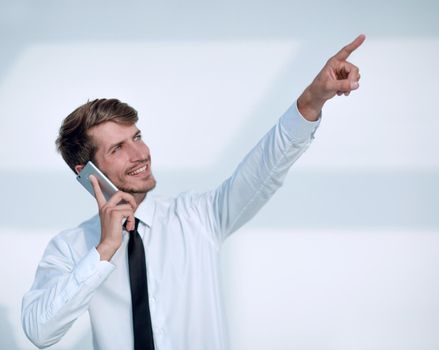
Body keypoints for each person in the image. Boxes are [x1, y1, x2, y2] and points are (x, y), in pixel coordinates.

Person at [22, 35, 365, 350]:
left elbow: (265, 168)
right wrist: (103, 251)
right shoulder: (71, 248)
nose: (140, 155)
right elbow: (39, 331)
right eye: (118, 149)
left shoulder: (198, 216)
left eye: (137, 137)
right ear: (87, 174)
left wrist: (312, 100)